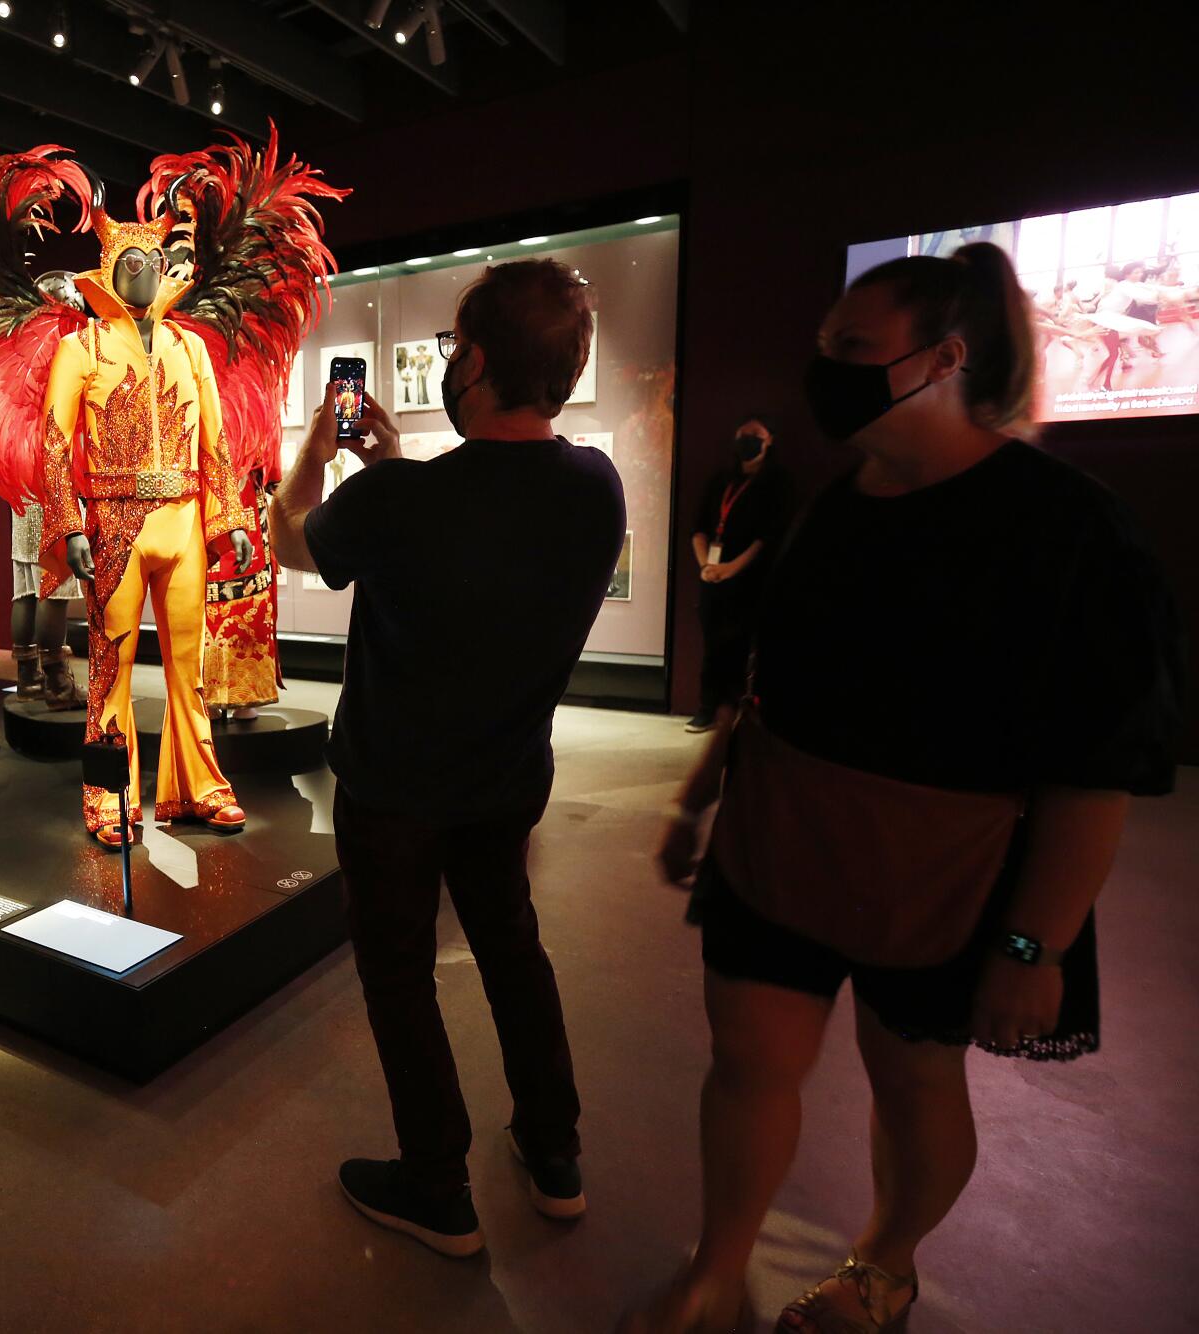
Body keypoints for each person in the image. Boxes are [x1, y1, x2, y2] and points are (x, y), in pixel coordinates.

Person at [633, 243, 1181, 1333]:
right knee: (745, 1060)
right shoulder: (836, 502)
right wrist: (702, 789)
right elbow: (769, 677)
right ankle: (716, 1263)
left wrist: (1034, 945)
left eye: (851, 348)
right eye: (823, 345)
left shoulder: (1067, 527)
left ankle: (882, 1258)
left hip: (946, 867)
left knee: (913, 1079)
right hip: (779, 831)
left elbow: (1092, 769)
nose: (822, 366)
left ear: (945, 357)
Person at [269, 259, 627, 1258]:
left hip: (392, 789)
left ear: (472, 362)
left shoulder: (403, 503)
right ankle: (553, 1154)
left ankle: (436, 1182)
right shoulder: (594, 486)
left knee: (397, 970)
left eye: (452, 350)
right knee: (512, 946)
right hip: (506, 781)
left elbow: (287, 536)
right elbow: (473, 520)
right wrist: (388, 470)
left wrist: (315, 446)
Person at [685, 415, 789, 732]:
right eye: (743, 435)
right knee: (712, 645)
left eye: (756, 435)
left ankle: (734, 711)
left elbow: (766, 538)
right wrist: (707, 566)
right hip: (713, 579)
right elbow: (699, 529)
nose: (749, 441)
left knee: (743, 646)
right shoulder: (721, 481)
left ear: (770, 440)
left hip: (750, 582)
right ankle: (707, 708)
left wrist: (731, 569)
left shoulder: (777, 483)